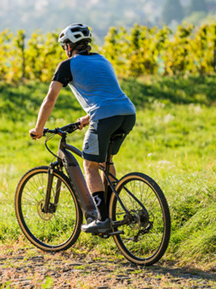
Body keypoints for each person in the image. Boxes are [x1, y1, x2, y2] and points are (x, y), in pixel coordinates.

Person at [29, 23, 136, 233]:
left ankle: (103, 219)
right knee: (105, 161)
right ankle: (112, 209)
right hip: (127, 113)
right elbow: (108, 94)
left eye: (64, 46)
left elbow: (49, 100)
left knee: (89, 165)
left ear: (69, 46)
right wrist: (86, 119)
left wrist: (38, 129)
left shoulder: (67, 65)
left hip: (104, 117)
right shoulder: (103, 60)